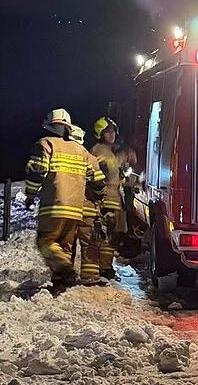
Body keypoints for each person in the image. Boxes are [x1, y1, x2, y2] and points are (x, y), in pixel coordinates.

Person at [24, 109, 106, 287]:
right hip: (76, 209)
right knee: (65, 246)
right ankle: (61, 283)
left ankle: (64, 269)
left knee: (46, 241)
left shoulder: (45, 144)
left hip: (53, 206)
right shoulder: (81, 150)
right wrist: (97, 198)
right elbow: (98, 180)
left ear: (50, 126)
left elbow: (37, 172)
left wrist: (30, 195)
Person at [67, 125, 105, 286]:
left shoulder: (59, 156)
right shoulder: (88, 157)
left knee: (66, 244)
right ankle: (89, 277)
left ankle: (65, 277)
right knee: (89, 243)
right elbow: (99, 183)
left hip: (65, 208)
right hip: (85, 207)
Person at [91, 117, 124, 280]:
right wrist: (124, 156)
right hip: (106, 199)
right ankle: (103, 268)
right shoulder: (99, 151)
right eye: (107, 132)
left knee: (112, 235)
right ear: (100, 133)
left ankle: (105, 266)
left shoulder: (108, 151)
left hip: (113, 199)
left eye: (113, 131)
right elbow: (107, 170)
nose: (112, 135)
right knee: (106, 235)